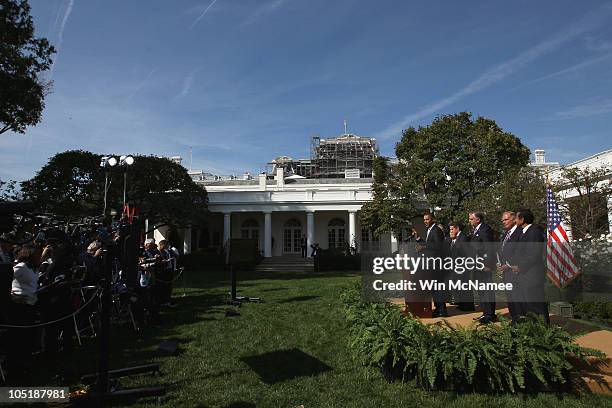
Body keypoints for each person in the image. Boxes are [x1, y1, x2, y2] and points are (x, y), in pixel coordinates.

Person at [509, 209, 549, 324]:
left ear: (522, 219)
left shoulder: (534, 232)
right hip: (525, 275)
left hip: (532, 275)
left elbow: (533, 253)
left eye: (516, 218)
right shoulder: (524, 232)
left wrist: (520, 266)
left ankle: (543, 330)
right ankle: (533, 328)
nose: (515, 220)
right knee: (529, 306)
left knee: (536, 304)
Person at [7, 247, 40, 378]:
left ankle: (26, 362)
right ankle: (16, 367)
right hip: (20, 304)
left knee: (28, 336)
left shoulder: (32, 268)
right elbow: (7, 278)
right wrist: (12, 293)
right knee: (19, 337)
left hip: (31, 302)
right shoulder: (20, 267)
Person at [468, 211, 497, 324]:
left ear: (478, 219)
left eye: (471, 219)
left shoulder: (485, 229)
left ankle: (490, 314)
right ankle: (485, 313)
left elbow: (489, 248)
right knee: (481, 290)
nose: (469, 221)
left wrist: (488, 264)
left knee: (487, 290)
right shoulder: (476, 231)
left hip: (484, 265)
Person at [416, 212, 447, 317]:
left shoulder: (436, 230)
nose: (425, 221)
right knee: (434, 288)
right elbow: (431, 244)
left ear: (432, 219)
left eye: (427, 219)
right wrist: (420, 242)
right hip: (431, 264)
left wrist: (424, 247)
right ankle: (438, 309)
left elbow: (438, 246)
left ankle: (442, 311)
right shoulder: (430, 230)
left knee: (438, 288)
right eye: (424, 219)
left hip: (437, 264)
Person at [497, 211, 523, 322]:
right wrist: (500, 263)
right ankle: (514, 320)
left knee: (517, 298)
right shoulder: (506, 234)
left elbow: (519, 252)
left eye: (506, 219)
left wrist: (508, 265)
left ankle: (520, 322)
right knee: (510, 297)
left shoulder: (519, 232)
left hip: (516, 271)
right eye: (502, 220)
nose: (504, 222)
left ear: (514, 219)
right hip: (506, 272)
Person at [448, 222, 475, 311]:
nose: (450, 231)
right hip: (457, 267)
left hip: (462, 267)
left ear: (457, 228)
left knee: (465, 286)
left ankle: (468, 306)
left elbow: (467, 253)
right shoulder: (456, 238)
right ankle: (463, 304)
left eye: (452, 229)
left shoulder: (463, 238)